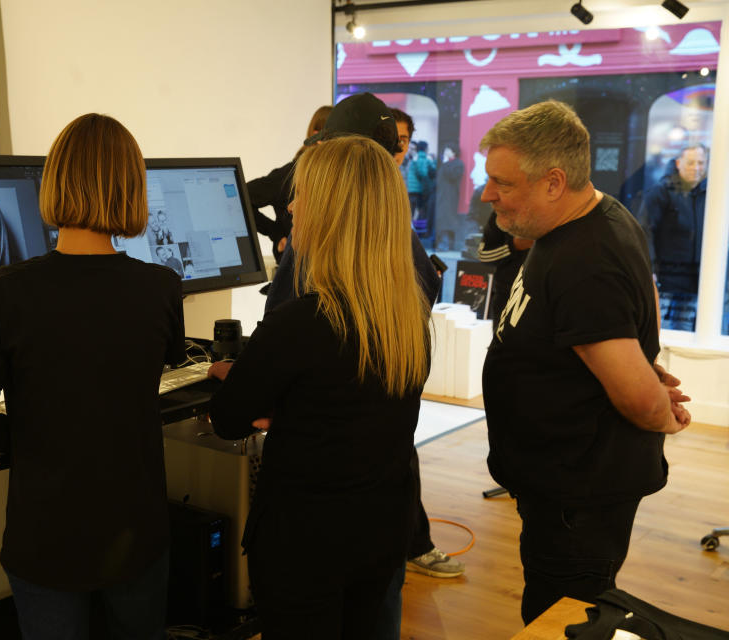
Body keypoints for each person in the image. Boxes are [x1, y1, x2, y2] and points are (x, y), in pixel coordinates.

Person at [0, 113, 185, 640]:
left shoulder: (4, 292)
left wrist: (29, 444)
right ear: (131, 189)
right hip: (136, 531)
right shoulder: (161, 288)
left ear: (55, 184)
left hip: (45, 536)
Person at [208, 135, 432, 639]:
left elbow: (227, 420)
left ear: (331, 213)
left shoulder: (300, 324)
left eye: (301, 194)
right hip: (380, 532)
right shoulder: (407, 319)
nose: (289, 206)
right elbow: (356, 406)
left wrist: (258, 393)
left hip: (305, 545)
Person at [479, 100, 692, 625]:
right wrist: (639, 362)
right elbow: (636, 304)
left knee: (564, 619)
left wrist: (663, 411)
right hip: (560, 482)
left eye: (502, 183)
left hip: (577, 492)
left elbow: (640, 401)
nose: (488, 195)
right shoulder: (592, 219)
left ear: (554, 182)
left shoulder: (584, 260)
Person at [263, 93, 462, 640]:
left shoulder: (308, 279)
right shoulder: (409, 262)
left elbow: (262, 384)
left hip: (315, 507)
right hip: (380, 500)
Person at [247, 105, 332, 263]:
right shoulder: (289, 175)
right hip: (295, 273)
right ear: (318, 137)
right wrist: (276, 234)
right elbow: (243, 197)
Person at [637, 143, 708, 331]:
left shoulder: (711, 194)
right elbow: (644, 231)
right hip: (666, 282)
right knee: (663, 334)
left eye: (701, 162)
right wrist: (650, 269)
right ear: (678, 163)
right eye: (691, 162)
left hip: (698, 283)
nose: (696, 168)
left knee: (689, 334)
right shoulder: (661, 192)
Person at [476, 210, 532, 330]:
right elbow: (484, 255)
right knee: (502, 344)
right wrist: (513, 246)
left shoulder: (552, 212)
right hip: (507, 294)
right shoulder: (502, 210)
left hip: (544, 296)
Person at [434, 142, 465, 250]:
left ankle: (446, 244)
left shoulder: (458, 163)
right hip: (441, 195)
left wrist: (446, 163)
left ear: (454, 152)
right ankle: (443, 243)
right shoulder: (444, 163)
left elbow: (452, 176)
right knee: (441, 219)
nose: (445, 152)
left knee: (447, 220)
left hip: (450, 196)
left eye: (448, 150)